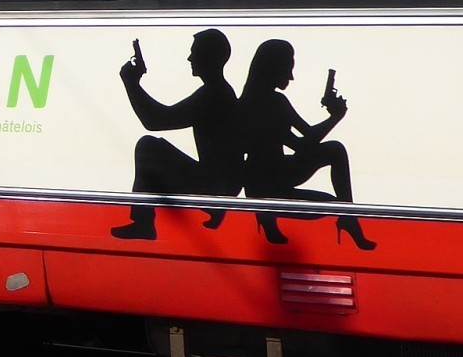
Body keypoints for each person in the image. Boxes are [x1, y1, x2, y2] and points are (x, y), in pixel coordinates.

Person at [237, 38, 373, 250]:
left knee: (334, 156)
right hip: (274, 182)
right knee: (335, 154)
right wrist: (336, 116)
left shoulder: (251, 101)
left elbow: (299, 143)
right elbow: (306, 143)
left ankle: (269, 220)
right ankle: (347, 217)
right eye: (287, 68)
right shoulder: (274, 102)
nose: (290, 76)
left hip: (264, 180)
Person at [111, 28, 242, 241]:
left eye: (195, 52)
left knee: (148, 148)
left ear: (209, 57)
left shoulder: (213, 95)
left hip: (217, 185)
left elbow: (156, 121)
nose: (190, 58)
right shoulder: (219, 91)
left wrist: (131, 83)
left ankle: (143, 223)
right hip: (221, 180)